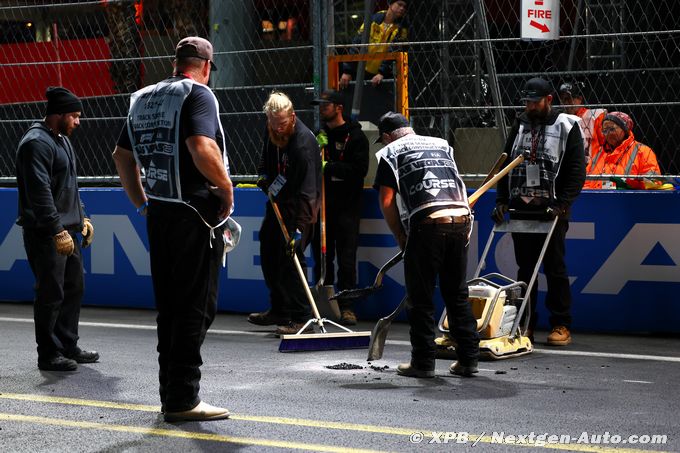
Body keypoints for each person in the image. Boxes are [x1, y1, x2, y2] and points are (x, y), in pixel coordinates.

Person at [112, 36, 233, 422]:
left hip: (160, 214)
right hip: (194, 214)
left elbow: (121, 155)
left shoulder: (143, 97)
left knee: (170, 307)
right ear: (207, 66)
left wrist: (141, 203)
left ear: (175, 60)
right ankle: (184, 399)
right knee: (197, 307)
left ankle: (172, 394)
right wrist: (227, 187)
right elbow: (201, 145)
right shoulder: (198, 94)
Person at [373, 112, 479, 378]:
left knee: (420, 297)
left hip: (427, 221)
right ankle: (468, 359)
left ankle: (422, 362)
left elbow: (386, 200)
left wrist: (399, 234)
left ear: (387, 137)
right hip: (460, 217)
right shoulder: (441, 143)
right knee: (456, 293)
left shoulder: (391, 152)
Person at [492, 77, 586, 346]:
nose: (530, 106)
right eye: (527, 101)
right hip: (521, 206)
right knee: (525, 268)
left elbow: (576, 170)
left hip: (552, 208)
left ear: (549, 100)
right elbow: (504, 162)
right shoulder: (520, 122)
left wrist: (562, 204)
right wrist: (501, 200)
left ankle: (561, 323)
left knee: (555, 267)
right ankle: (525, 323)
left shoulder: (567, 125)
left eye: (535, 101)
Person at [15, 87, 98, 372]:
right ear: (59, 114)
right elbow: (40, 194)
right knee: (51, 293)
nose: (78, 121)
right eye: (74, 116)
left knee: (74, 287)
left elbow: (67, 186)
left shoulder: (61, 139)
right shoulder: (36, 143)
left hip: (67, 228)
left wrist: (81, 217)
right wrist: (57, 230)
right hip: (47, 233)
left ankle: (67, 344)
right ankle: (49, 354)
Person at [248, 91, 321, 336]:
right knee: (269, 253)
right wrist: (263, 178)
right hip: (277, 203)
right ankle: (280, 309)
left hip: (302, 208)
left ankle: (302, 318)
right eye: (273, 122)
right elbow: (264, 162)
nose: (278, 128)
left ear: (292, 116)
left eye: (282, 123)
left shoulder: (303, 143)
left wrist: (299, 229)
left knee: (292, 260)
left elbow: (308, 191)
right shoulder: (271, 131)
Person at [310, 90, 369, 325]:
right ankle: (323, 304)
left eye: (326, 105)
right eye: (320, 105)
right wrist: (316, 154)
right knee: (323, 258)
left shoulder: (355, 138)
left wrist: (329, 167)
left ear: (339, 107)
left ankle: (347, 306)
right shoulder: (320, 135)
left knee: (346, 259)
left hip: (347, 207)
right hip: (323, 207)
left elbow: (358, 171)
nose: (322, 108)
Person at [338, 0, 409, 90]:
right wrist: (348, 71)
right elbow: (357, 43)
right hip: (362, 69)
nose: (402, 8)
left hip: (383, 75)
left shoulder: (402, 28)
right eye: (399, 4)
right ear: (390, 4)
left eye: (404, 7)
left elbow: (395, 51)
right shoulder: (374, 19)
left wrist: (382, 73)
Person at [583, 111, 661, 189]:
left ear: (625, 130)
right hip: (596, 199)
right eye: (605, 130)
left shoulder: (643, 151)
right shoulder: (599, 153)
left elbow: (654, 182)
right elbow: (584, 182)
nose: (608, 134)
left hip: (629, 199)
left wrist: (629, 185)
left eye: (612, 129)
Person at [558, 81, 607, 164]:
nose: (565, 103)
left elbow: (607, 146)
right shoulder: (559, 119)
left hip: (593, 168)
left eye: (568, 99)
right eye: (562, 99)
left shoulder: (595, 116)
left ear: (579, 99)